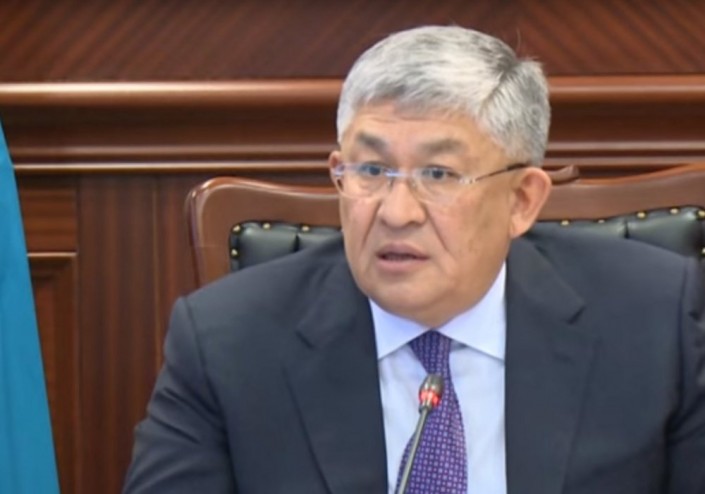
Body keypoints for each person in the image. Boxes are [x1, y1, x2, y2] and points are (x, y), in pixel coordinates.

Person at [123, 26, 705, 493]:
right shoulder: (227, 342)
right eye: (372, 170)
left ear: (521, 201)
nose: (396, 212)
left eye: (439, 174)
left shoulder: (654, 319)